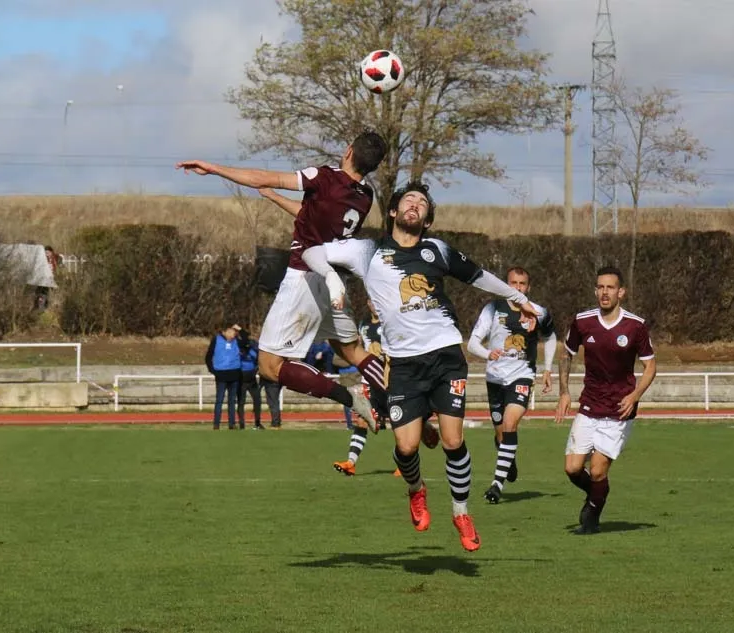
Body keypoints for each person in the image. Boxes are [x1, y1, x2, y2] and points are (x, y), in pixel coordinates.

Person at [308, 180, 540, 552]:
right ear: (394, 211)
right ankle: (416, 490)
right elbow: (313, 252)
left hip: (446, 355)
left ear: (427, 220)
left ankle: (461, 512)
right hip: (403, 364)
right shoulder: (368, 250)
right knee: (406, 446)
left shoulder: (437, 250)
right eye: (408, 199)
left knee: (453, 440)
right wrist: (334, 280)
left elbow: (479, 275)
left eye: (422, 203)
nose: (415, 204)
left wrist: (517, 297)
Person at [176, 130, 389, 432]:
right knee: (352, 350)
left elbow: (263, 177)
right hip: (335, 281)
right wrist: (276, 198)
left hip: (305, 278)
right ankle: (402, 401)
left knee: (270, 366)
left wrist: (213, 168)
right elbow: (310, 214)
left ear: (348, 152)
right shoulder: (365, 196)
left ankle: (351, 398)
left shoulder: (324, 177)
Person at [554, 266, 657, 535]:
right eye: (600, 287)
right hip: (589, 405)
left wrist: (635, 395)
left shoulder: (635, 326)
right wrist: (564, 391)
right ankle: (597, 493)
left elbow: (650, 366)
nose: (604, 292)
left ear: (621, 292)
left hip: (619, 409)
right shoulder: (582, 321)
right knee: (572, 468)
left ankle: (592, 515)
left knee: (598, 471)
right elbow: (566, 354)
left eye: (610, 287)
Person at [467, 267, 557, 504]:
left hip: (522, 376)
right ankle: (509, 458)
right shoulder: (493, 309)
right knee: (501, 434)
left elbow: (550, 337)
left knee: (509, 424)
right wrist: (487, 354)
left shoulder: (538, 312)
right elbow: (472, 343)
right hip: (495, 379)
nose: (518, 288)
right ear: (506, 285)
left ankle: (496, 485)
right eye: (513, 283)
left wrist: (548, 369)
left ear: (529, 287)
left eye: (522, 283)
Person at [332, 299, 439, 477]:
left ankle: (405, 463)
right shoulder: (364, 324)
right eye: (371, 302)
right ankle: (351, 463)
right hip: (371, 377)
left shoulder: (391, 320)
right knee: (362, 420)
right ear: (368, 303)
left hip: (391, 376)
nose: (375, 305)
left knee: (400, 421)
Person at [205, 323, 243, 430]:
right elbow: (208, 357)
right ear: (224, 332)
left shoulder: (237, 341)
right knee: (219, 400)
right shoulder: (216, 340)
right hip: (221, 375)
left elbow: (246, 340)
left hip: (234, 374)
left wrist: (240, 329)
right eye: (231, 331)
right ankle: (216, 424)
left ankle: (232, 424)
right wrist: (213, 370)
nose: (233, 334)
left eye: (234, 332)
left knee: (232, 401)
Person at [237, 328, 264, 430]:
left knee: (257, 400)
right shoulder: (238, 348)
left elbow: (258, 360)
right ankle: (241, 424)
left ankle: (257, 422)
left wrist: (256, 369)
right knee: (241, 402)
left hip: (252, 380)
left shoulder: (253, 347)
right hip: (241, 379)